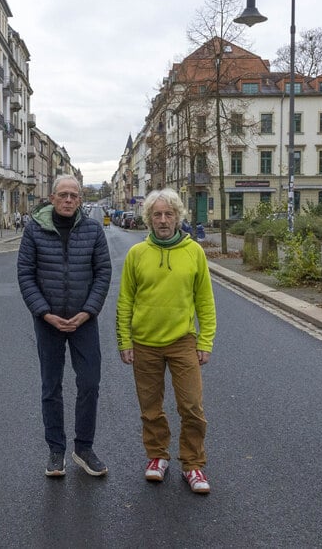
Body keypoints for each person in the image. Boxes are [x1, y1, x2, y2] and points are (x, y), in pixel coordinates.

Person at [116, 188, 216, 494]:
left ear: (177, 217)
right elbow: (125, 301)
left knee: (192, 406)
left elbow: (205, 301)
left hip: (183, 341)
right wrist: (124, 340)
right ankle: (157, 457)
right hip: (144, 342)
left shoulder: (193, 252)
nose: (163, 220)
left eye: (168, 214)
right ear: (149, 218)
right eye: (157, 214)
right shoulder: (136, 254)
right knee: (151, 408)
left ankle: (193, 464)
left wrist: (205, 341)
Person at [18, 175, 112, 478]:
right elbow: (25, 275)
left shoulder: (93, 229)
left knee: (89, 383)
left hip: (84, 321)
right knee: (51, 387)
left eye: (74, 195)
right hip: (48, 322)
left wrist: (88, 311)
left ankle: (83, 448)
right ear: (52, 197)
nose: (69, 200)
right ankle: (56, 450)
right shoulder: (34, 230)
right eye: (63, 195)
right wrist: (44, 313)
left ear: (80, 199)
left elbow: (103, 273)